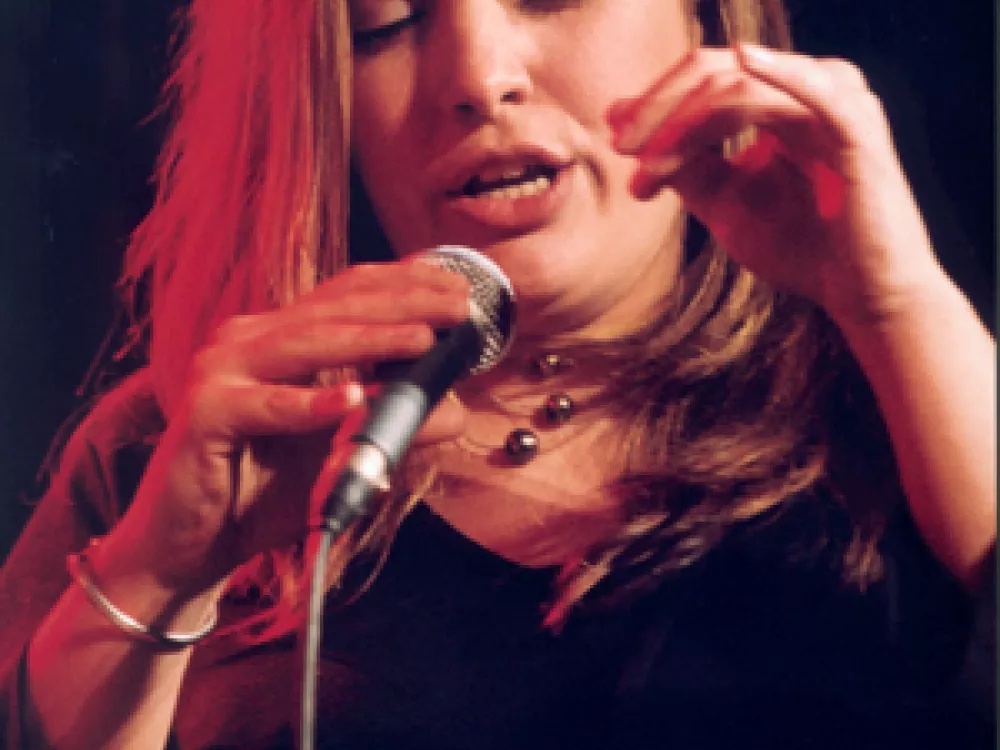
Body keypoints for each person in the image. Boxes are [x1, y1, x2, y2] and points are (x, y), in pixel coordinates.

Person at [0, 0, 994, 748]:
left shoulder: (898, 384)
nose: (479, 75)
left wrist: (898, 307)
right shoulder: (184, 449)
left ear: (702, 19)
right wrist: (160, 574)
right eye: (384, 23)